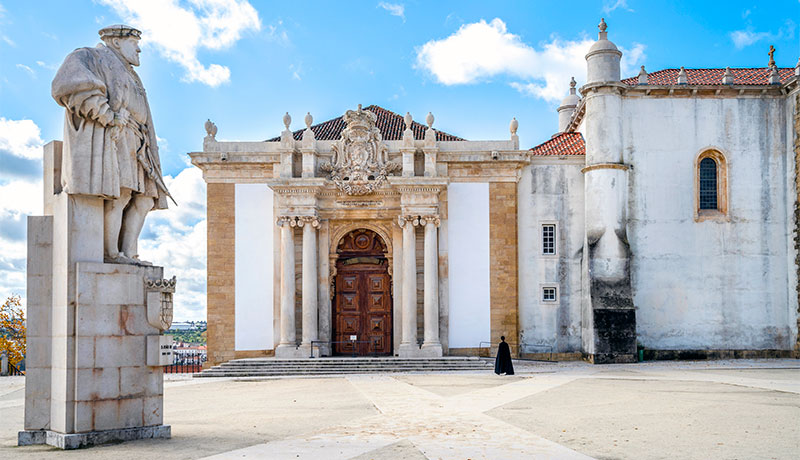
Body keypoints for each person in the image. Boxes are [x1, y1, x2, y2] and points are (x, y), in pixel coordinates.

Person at [51, 24, 172, 264]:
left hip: (139, 139)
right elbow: (68, 84)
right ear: (116, 42)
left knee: (146, 198)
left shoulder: (130, 72)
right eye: (134, 43)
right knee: (121, 195)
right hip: (117, 134)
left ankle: (129, 253)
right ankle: (113, 254)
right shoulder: (91, 56)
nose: (139, 49)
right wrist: (107, 114)